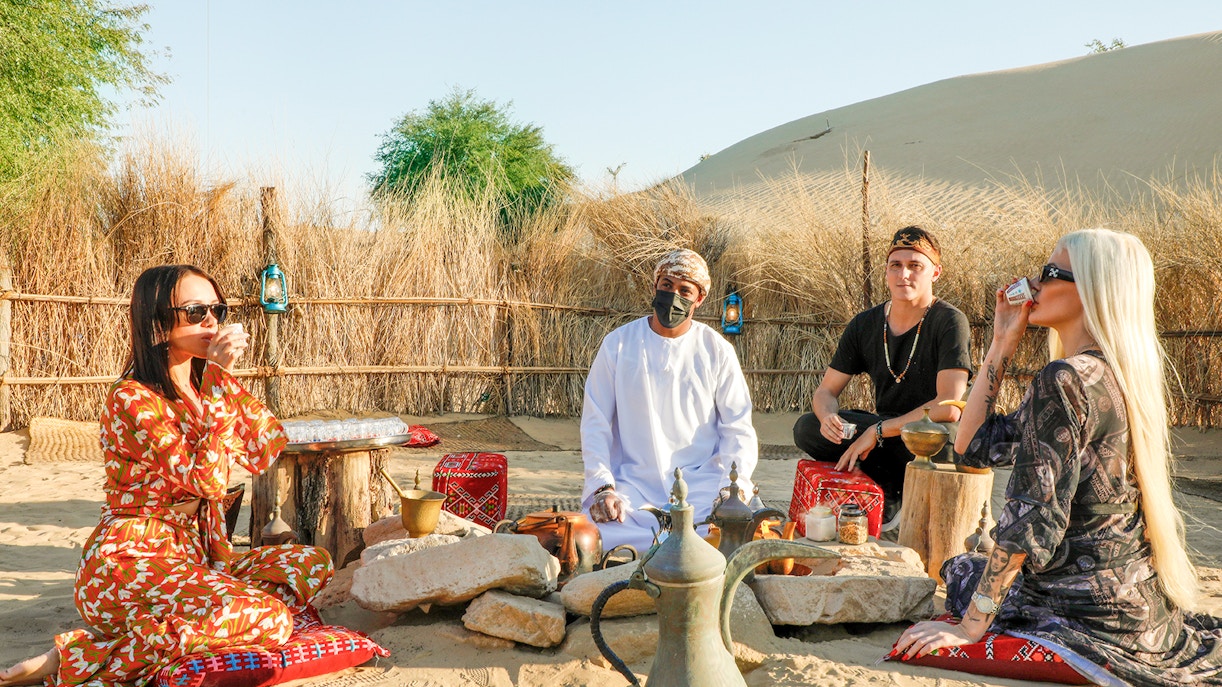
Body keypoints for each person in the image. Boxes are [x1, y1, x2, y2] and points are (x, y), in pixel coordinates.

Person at [894, 230, 1222, 686]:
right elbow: (975, 445)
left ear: (1091, 287)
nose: (1033, 284)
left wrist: (970, 628)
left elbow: (1031, 518)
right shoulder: (1111, 370)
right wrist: (1001, 343)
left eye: (1049, 273)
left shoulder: (1065, 378)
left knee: (962, 570)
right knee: (971, 566)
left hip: (1083, 606)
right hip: (1136, 601)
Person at [0, 265, 334, 687]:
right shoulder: (131, 399)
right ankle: (80, 657)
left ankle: (188, 627)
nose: (212, 320)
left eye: (218, 308)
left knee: (310, 562)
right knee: (270, 618)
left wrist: (220, 382)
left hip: (196, 557)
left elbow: (264, 447)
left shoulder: (203, 382)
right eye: (196, 311)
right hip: (130, 562)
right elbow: (208, 481)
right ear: (158, 320)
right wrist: (217, 381)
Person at [581, 248, 758, 551]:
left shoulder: (716, 350)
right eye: (667, 285)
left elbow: (737, 427)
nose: (673, 295)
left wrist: (731, 489)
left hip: (702, 486)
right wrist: (603, 487)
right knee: (591, 535)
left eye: (684, 290)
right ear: (655, 286)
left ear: (699, 299)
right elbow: (596, 421)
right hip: (633, 487)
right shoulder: (618, 345)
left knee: (729, 533)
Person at [792, 226, 971, 515]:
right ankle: (883, 483)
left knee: (936, 442)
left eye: (915, 266)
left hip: (933, 435)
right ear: (886, 271)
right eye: (896, 266)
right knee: (807, 428)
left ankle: (887, 483)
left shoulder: (950, 322)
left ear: (935, 272)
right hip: (885, 431)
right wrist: (828, 418)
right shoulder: (865, 324)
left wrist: (877, 432)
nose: (904, 275)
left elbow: (948, 407)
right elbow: (826, 390)